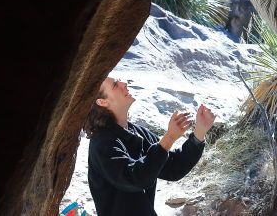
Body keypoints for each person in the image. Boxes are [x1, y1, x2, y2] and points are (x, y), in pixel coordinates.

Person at [84, 76, 216, 216]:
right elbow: (135, 179)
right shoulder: (102, 143)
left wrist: (199, 134)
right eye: (116, 85)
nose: (124, 83)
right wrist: (169, 138)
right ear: (103, 101)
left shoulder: (138, 132)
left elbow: (173, 168)